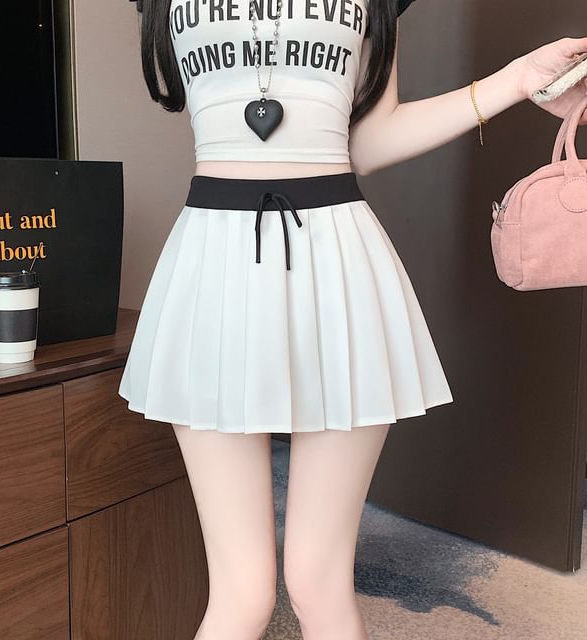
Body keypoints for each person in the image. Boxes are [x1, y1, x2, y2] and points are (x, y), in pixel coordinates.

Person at [118, 1, 587, 638]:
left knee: (318, 582)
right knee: (241, 593)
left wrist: (518, 77)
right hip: (212, 264)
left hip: (336, 261)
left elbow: (368, 140)